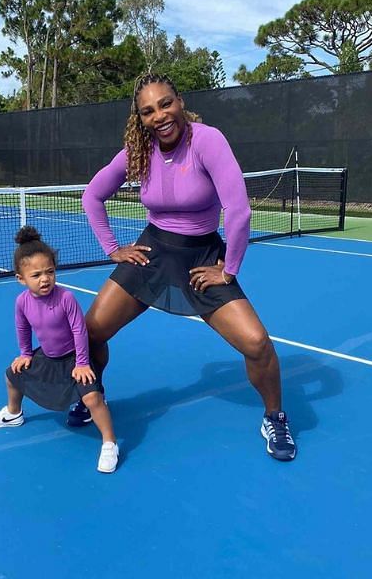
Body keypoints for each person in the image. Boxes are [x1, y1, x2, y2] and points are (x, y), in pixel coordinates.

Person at [77, 72, 296, 461]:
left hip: (201, 258)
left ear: (180, 102)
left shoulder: (207, 140)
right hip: (152, 252)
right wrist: (113, 248)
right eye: (148, 111)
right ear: (139, 118)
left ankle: (274, 416)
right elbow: (92, 196)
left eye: (165, 104)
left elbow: (239, 211)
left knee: (257, 344)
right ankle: (92, 396)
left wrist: (228, 269)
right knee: (91, 330)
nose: (159, 116)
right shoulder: (137, 152)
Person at [0, 227, 120, 473]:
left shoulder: (66, 298)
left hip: (74, 357)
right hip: (47, 357)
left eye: (50, 272)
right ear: (21, 279)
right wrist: (25, 353)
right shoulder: (22, 302)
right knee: (11, 375)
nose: (45, 279)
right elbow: (22, 328)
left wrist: (82, 363)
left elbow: (80, 331)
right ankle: (14, 413)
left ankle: (109, 443)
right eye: (36, 275)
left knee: (92, 398)